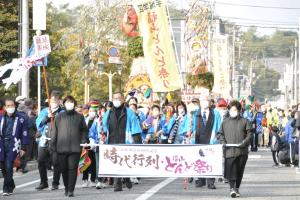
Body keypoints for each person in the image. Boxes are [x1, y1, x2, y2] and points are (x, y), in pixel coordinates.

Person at [102, 92, 142, 192]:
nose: (116, 100)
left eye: (119, 98)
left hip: (126, 142)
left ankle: (127, 178)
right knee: (116, 163)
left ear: (123, 100)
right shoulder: (108, 113)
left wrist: (138, 143)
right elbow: (103, 128)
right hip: (112, 142)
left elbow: (136, 129)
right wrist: (102, 137)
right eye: (115, 98)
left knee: (125, 163)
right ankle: (117, 184)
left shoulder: (130, 113)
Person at [51, 96, 88, 197]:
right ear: (64, 103)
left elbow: (84, 130)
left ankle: (71, 190)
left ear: (74, 103)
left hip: (75, 148)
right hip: (61, 148)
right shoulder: (58, 117)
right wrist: (53, 146)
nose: (69, 103)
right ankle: (67, 188)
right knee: (64, 169)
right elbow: (54, 132)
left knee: (72, 169)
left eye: (71, 102)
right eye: (67, 102)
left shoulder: (80, 117)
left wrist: (84, 140)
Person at [219, 100, 252, 198]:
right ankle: (232, 189)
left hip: (241, 151)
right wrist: (223, 142)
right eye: (231, 109)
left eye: (235, 109)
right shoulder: (225, 122)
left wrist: (244, 143)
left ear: (239, 110)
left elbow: (250, 134)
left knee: (239, 171)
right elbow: (220, 134)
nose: (232, 111)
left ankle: (236, 188)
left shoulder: (245, 121)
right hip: (229, 151)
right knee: (231, 170)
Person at [0, 97, 29, 196]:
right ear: (4, 107)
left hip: (13, 144)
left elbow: (24, 133)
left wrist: (24, 147)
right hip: (2, 144)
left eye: (12, 105)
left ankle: (6, 188)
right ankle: (11, 184)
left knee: (8, 165)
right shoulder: (1, 117)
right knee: (3, 166)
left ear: (15, 106)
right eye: (8, 106)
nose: (10, 107)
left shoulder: (21, 118)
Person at [35, 90, 63, 190]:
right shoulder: (44, 111)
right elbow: (38, 123)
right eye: (52, 100)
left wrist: (55, 117)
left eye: (56, 101)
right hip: (44, 140)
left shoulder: (63, 112)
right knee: (41, 161)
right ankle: (43, 182)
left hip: (57, 141)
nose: (53, 102)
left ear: (60, 101)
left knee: (56, 163)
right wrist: (47, 117)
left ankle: (55, 182)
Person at [192, 95, 222, 189]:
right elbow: (192, 127)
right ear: (199, 102)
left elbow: (218, 127)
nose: (204, 102)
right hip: (198, 138)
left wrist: (215, 137)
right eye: (202, 100)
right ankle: (200, 180)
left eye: (206, 100)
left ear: (210, 102)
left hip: (211, 138)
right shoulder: (195, 113)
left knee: (210, 160)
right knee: (199, 160)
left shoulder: (215, 113)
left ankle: (210, 182)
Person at [82, 101, 99, 188]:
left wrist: (95, 142)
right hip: (85, 143)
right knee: (85, 162)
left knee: (93, 162)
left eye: (94, 111)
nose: (92, 112)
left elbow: (99, 133)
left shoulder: (98, 121)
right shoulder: (85, 120)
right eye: (90, 110)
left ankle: (92, 179)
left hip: (94, 144)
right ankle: (85, 179)